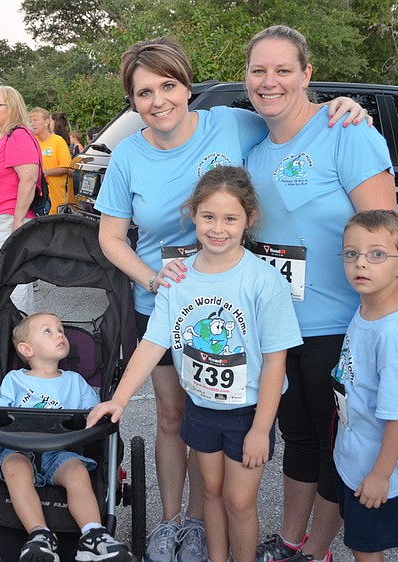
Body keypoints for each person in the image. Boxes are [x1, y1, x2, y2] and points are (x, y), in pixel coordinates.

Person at [94, 37, 369, 562]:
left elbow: (291, 116)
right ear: (132, 100)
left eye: (168, 85)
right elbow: (111, 237)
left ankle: (202, 523)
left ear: (187, 86)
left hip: (231, 298)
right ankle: (171, 522)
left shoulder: (229, 124)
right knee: (176, 414)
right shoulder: (128, 154)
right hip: (168, 297)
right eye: (144, 92)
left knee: (223, 411)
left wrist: (342, 108)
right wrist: (154, 281)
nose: (159, 100)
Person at [243, 27, 398, 562]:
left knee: (339, 446)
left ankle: (318, 550)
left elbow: (389, 233)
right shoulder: (254, 151)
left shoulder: (345, 133)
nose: (270, 82)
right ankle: (288, 541)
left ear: (307, 75)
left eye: (284, 70)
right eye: (259, 71)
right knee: (299, 438)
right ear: (247, 79)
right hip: (282, 328)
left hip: (342, 325)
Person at [88, 166, 302, 562]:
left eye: (230, 218)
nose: (217, 228)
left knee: (239, 501)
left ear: (248, 220)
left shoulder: (262, 281)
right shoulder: (178, 278)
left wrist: (260, 428)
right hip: (202, 409)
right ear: (193, 216)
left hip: (247, 414)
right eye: (208, 217)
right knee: (212, 494)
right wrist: (118, 400)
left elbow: (276, 361)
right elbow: (154, 342)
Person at [0, 312, 133, 562]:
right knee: (14, 468)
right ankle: (40, 535)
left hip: (61, 450)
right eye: (47, 331)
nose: (60, 333)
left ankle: (93, 535)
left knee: (77, 472)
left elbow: (94, 414)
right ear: (26, 349)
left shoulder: (75, 381)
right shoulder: (13, 380)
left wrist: (104, 416)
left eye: (60, 329)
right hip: (19, 447)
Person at [331, 210, 398, 562]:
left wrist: (381, 475)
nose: (361, 264)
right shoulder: (367, 308)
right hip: (354, 457)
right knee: (358, 540)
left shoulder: (394, 334)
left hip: (375, 470)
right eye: (351, 253)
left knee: (367, 550)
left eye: (377, 254)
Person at [0, 86, 42, 314]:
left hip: (8, 221)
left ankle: (19, 332)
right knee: (10, 281)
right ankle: (18, 332)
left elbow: (29, 178)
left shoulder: (18, 136)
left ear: (12, 107)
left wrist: (17, 221)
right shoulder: (4, 138)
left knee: (14, 283)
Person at [29, 108, 71, 214]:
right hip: (37, 202)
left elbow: (66, 167)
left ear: (47, 121)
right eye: (31, 121)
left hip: (56, 200)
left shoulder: (58, 141)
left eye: (36, 120)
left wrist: (44, 173)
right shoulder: (32, 142)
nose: (33, 124)